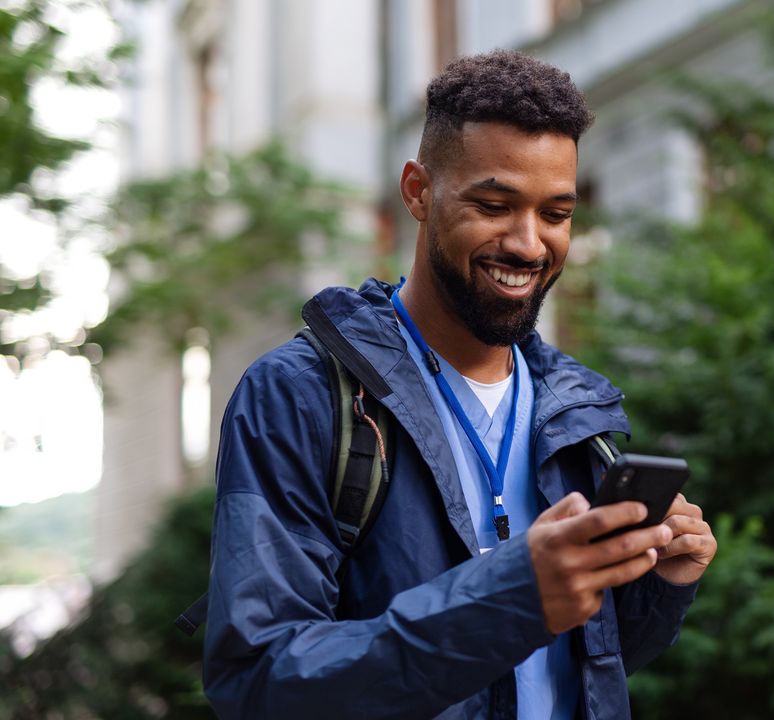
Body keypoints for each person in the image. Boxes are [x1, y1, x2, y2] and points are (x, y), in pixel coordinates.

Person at [201, 50, 717, 719]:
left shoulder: (577, 409)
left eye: (556, 213)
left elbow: (579, 668)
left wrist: (659, 584)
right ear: (418, 190)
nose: (530, 244)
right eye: (495, 204)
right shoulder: (297, 397)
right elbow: (259, 680)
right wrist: (508, 600)